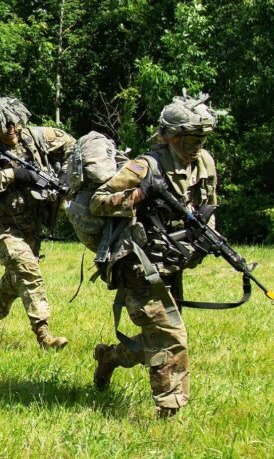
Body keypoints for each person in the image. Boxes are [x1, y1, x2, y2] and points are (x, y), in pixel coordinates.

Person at [89, 91, 218, 418]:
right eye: (190, 138)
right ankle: (168, 412)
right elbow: (98, 202)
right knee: (170, 338)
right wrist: (138, 195)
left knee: (157, 339)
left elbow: (209, 206)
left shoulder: (204, 164)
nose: (197, 145)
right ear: (170, 136)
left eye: (201, 138)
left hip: (172, 262)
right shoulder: (145, 166)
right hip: (137, 264)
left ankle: (110, 357)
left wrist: (206, 239)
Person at [0, 96, 74, 349]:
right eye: (4, 124)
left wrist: (65, 175)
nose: (11, 128)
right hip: (7, 228)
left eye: (14, 122)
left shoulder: (37, 137)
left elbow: (72, 144)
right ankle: (44, 334)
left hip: (33, 225)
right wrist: (13, 175)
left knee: (15, 279)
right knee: (28, 271)